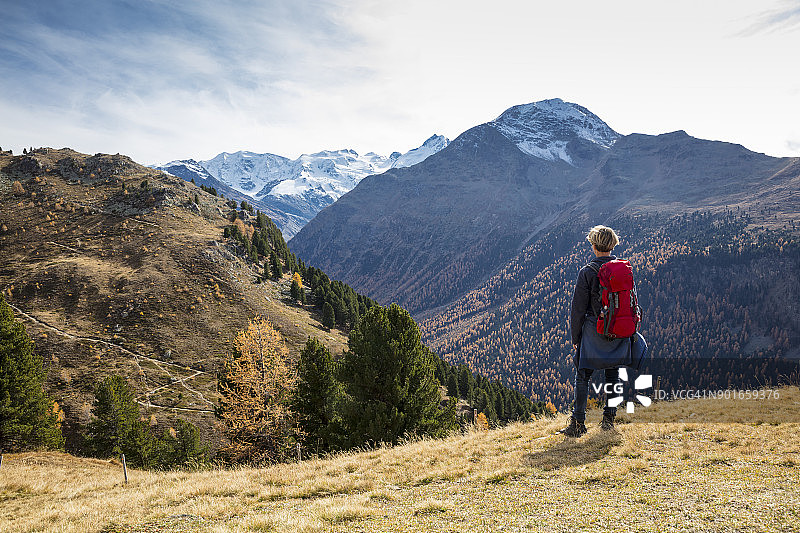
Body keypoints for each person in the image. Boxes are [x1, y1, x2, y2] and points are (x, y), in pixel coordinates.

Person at [560, 225, 627, 437]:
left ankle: (578, 423)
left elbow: (578, 308)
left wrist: (576, 337)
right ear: (611, 245)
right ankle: (609, 420)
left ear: (594, 246)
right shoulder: (622, 269)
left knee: (582, 376)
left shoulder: (587, 272)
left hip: (593, 330)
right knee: (612, 374)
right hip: (617, 330)